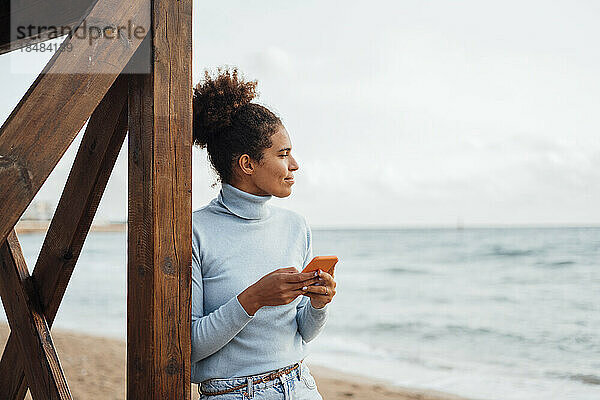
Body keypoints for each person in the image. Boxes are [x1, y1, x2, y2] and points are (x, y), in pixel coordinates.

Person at [191, 67, 337, 400]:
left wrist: (318, 304)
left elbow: (304, 332)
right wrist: (254, 297)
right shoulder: (195, 231)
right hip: (234, 392)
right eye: (283, 155)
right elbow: (188, 349)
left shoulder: (296, 226)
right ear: (247, 164)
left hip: (301, 385)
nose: (295, 165)